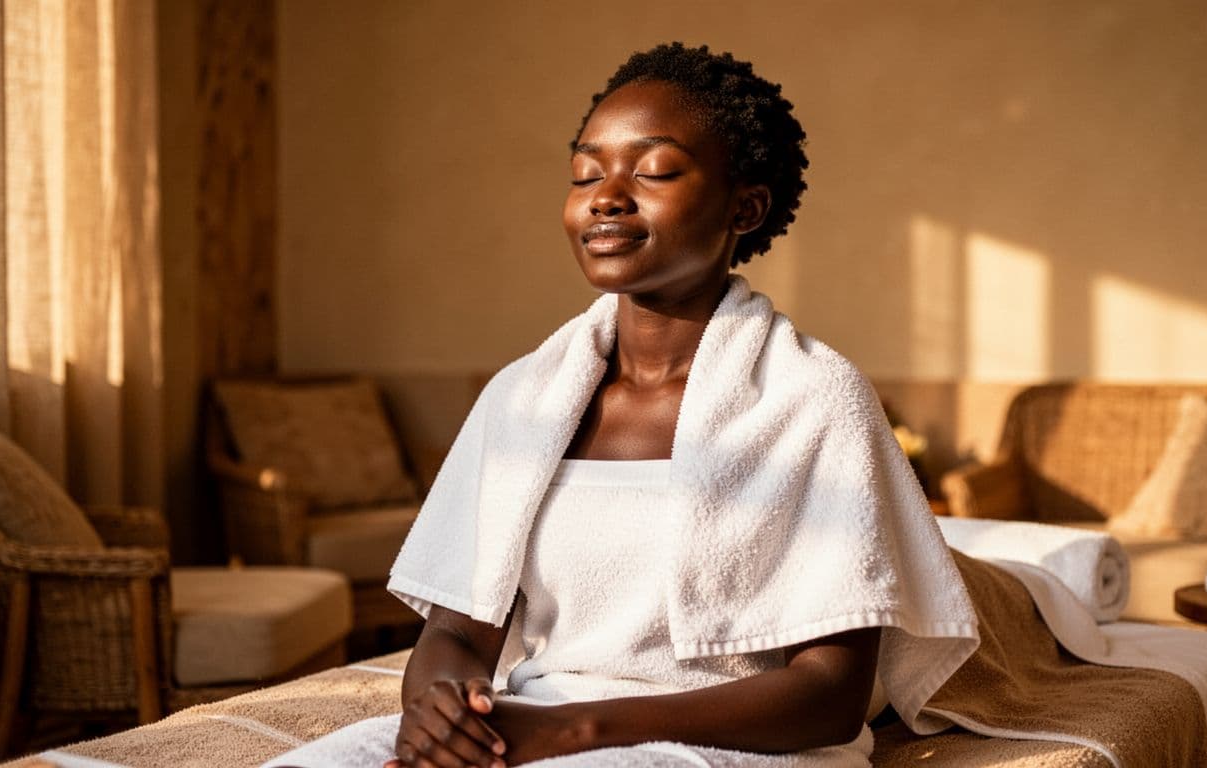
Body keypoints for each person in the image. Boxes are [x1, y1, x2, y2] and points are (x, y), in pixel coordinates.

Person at [383, 43, 972, 768]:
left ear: (745, 207)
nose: (606, 195)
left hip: (726, 749)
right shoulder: (523, 401)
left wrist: (577, 731)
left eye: (654, 170)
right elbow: (456, 638)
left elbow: (830, 694)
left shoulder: (813, 398)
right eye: (585, 173)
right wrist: (446, 715)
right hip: (533, 727)